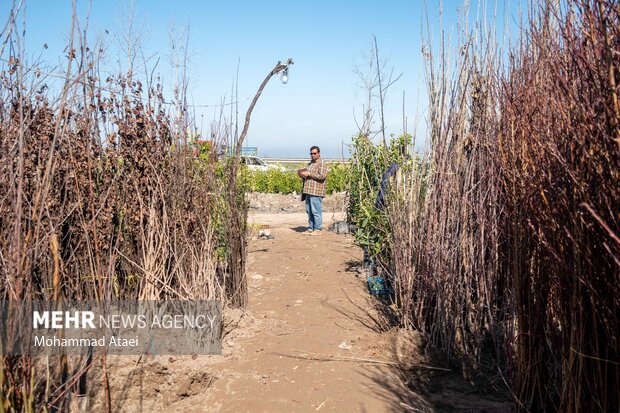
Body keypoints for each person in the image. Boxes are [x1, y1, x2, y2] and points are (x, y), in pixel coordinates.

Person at [298, 146, 328, 234]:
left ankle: (318, 229)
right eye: (311, 153)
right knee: (309, 211)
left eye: (314, 153)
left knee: (316, 211)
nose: (313, 155)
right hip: (308, 190)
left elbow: (322, 176)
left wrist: (309, 173)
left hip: (316, 191)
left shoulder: (322, 163)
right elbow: (310, 175)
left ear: (319, 153)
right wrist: (303, 175)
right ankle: (310, 228)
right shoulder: (311, 163)